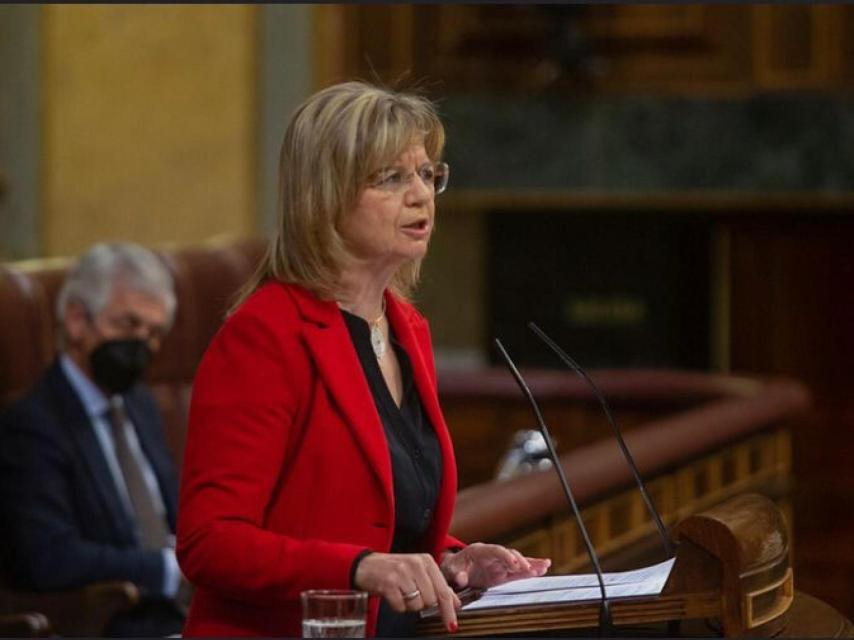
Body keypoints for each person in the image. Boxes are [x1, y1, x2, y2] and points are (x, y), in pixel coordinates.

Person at [176, 81, 551, 638]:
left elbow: (383, 524)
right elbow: (210, 542)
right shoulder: (266, 336)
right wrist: (359, 568)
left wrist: (454, 559)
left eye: (428, 174)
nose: (421, 195)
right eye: (392, 178)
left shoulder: (407, 330)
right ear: (325, 196)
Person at [0, 242, 186, 637]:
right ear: (77, 321)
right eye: (128, 326)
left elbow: (172, 514)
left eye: (154, 333)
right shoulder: (33, 424)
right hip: (116, 623)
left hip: (186, 614)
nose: (142, 346)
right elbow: (50, 557)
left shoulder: (139, 403)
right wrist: (166, 569)